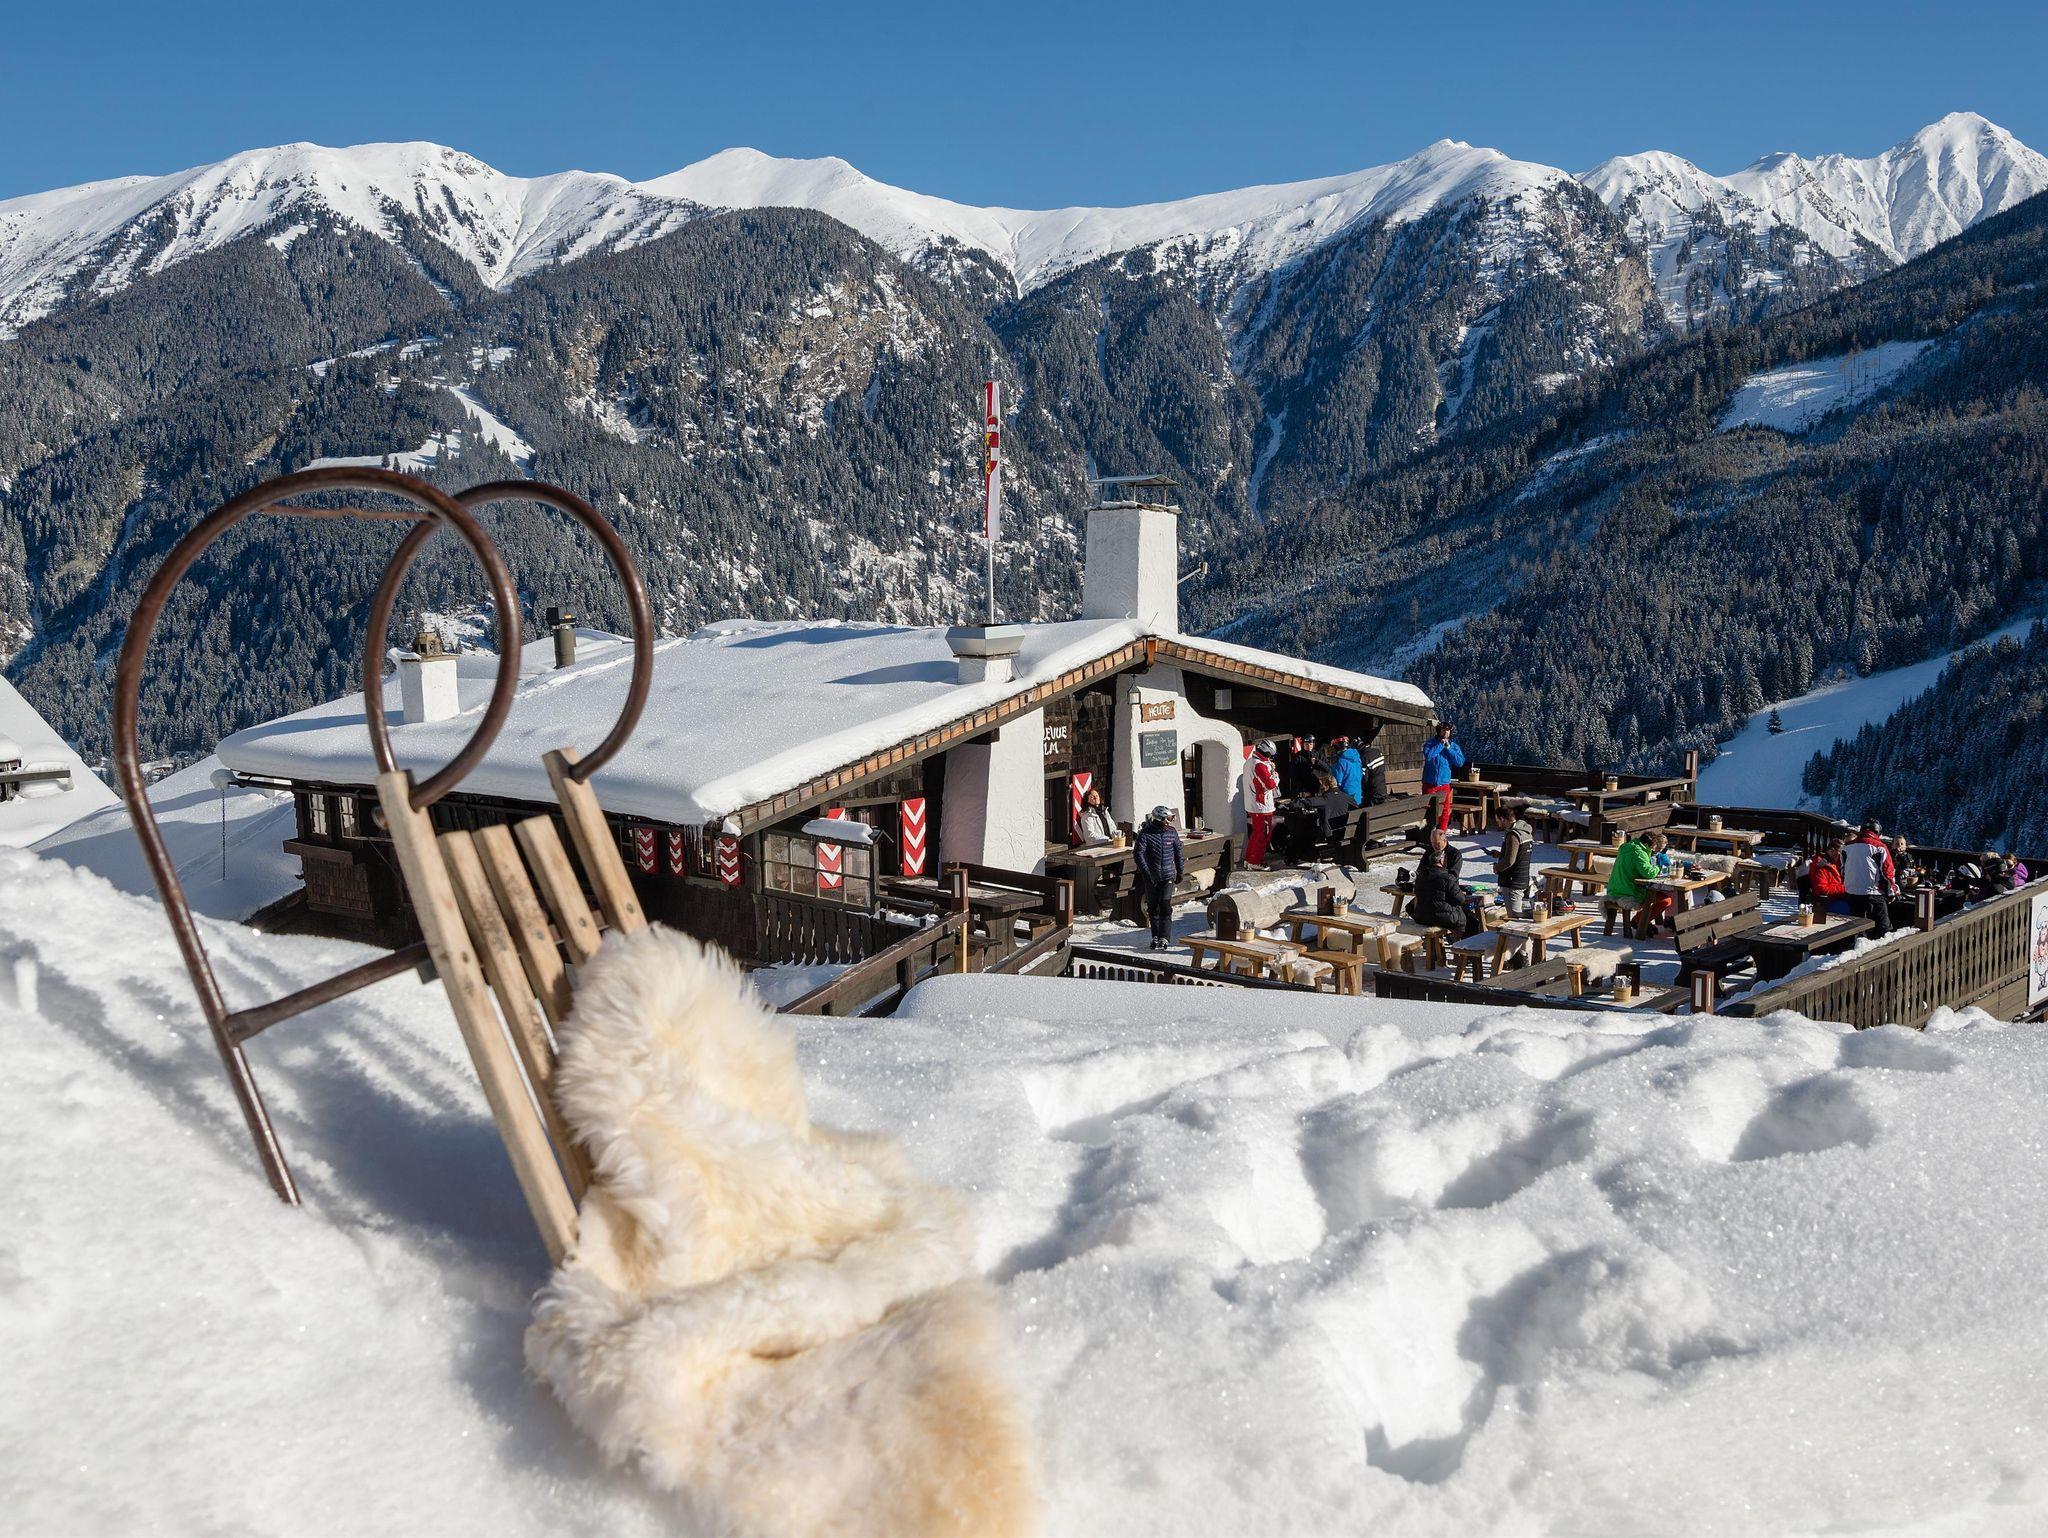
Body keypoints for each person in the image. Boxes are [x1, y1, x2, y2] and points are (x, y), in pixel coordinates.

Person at [1132, 805, 1185, 951]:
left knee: (1165, 906)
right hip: (1152, 876)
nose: (1170, 822)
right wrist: (1146, 872)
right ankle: (1155, 936)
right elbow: (1138, 853)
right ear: (1160, 819)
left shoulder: (1171, 832)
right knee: (1153, 907)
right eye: (1168, 818)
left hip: (1168, 875)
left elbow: (1178, 852)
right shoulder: (1145, 833)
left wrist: (1180, 871)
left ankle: (1164, 937)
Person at [1606, 830, 1673, 938]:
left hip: (1615, 888)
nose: (1653, 850)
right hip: (1629, 891)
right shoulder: (1639, 852)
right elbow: (1648, 873)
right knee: (1665, 900)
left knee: (1657, 895)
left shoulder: (1626, 847)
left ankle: (1642, 921)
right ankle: (1639, 922)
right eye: (1653, 847)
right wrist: (1659, 868)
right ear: (1646, 844)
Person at [1413, 831, 1479, 938]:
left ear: (1445, 840)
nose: (1435, 846)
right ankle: (1445, 941)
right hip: (1437, 897)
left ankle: (1454, 939)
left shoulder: (1455, 854)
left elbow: (1453, 875)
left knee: (1463, 914)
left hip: (1447, 892)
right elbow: (1420, 870)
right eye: (1433, 843)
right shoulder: (1429, 851)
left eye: (1437, 843)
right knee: (1412, 907)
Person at [1841, 816, 1897, 936]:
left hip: (1851, 892)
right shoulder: (1879, 847)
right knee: (1884, 928)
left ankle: (1858, 945)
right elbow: (1887, 872)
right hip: (1872, 892)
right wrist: (1892, 892)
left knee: (1858, 928)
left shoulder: (1846, 847)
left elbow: (1843, 870)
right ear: (1877, 832)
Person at [1491, 805, 1535, 919]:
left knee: (1514, 917)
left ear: (1502, 819)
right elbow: (1519, 853)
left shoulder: (1513, 835)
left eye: (1497, 820)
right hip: (1522, 879)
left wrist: (1497, 867)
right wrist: (1500, 854)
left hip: (1512, 882)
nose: (1497, 823)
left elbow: (1509, 861)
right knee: (1517, 915)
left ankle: (1533, 921)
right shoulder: (1525, 832)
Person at [1423, 721, 1465, 831]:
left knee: (1445, 811)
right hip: (1429, 783)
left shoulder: (1453, 746)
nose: (1446, 732)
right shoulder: (1430, 743)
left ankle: (1442, 834)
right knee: (1428, 810)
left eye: (1448, 730)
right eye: (1443, 730)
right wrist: (1441, 745)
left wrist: (1448, 748)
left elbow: (1460, 762)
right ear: (1439, 731)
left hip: (1444, 783)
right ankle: (1428, 834)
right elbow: (1428, 755)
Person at [1244, 740, 1281, 867]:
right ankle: (1254, 862)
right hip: (1261, 805)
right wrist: (1275, 775)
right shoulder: (1259, 765)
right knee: (1263, 834)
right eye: (1270, 755)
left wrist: (1269, 767)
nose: (1270, 758)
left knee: (1257, 833)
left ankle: (1249, 859)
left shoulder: (1250, 761)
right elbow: (1270, 784)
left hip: (1255, 803)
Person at [1808, 839, 1848, 915]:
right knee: (1854, 909)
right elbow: (1822, 890)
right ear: (1832, 851)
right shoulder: (1820, 866)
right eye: (1840, 852)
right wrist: (1845, 888)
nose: (1841, 855)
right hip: (1826, 902)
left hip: (1838, 897)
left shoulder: (1838, 864)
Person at [1331, 737, 1365, 807]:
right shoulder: (1357, 759)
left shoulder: (1340, 762)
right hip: (1357, 794)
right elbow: (1361, 774)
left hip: (1346, 796)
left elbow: (1337, 782)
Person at [1361, 739, 1389, 806]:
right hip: (1382, 788)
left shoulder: (1365, 756)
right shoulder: (1378, 752)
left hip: (1373, 790)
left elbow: (1364, 778)